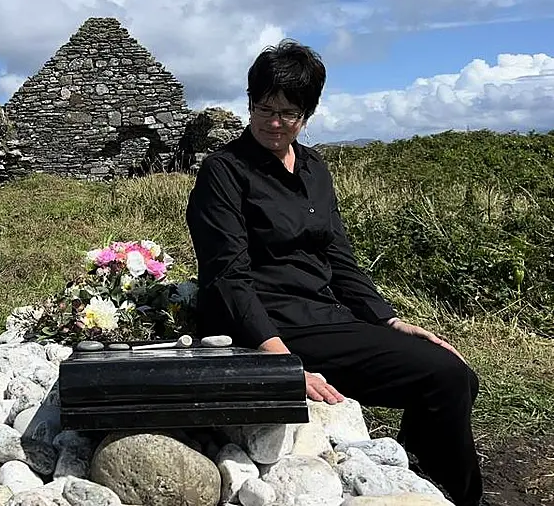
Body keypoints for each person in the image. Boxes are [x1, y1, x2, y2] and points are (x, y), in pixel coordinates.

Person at [184, 39, 482, 506]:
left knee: (458, 373)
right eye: (264, 109)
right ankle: (462, 497)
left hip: (324, 313)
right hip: (269, 321)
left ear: (309, 112)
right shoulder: (224, 171)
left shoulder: (312, 165)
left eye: (290, 113)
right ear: (249, 102)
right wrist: (281, 359)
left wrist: (388, 319)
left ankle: (420, 469)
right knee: (442, 377)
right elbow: (227, 275)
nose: (275, 123)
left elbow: (338, 254)